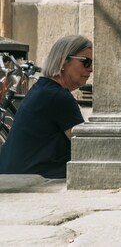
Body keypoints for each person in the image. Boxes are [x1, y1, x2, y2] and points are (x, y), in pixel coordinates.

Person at [0, 35, 92, 178]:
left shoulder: (41, 88)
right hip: (29, 180)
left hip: (12, 172)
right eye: (86, 62)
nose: (91, 69)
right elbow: (84, 149)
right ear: (62, 61)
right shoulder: (59, 97)